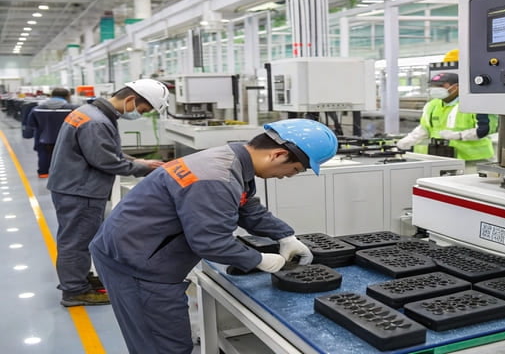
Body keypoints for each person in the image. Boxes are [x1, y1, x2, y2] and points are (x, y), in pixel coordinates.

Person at [89, 118, 338, 354]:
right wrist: (259, 260)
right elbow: (211, 242)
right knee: (163, 346)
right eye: (293, 169)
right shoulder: (215, 177)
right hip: (137, 264)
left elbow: (246, 206)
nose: (287, 176)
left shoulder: (233, 161)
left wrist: (285, 236)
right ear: (277, 154)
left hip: (141, 247)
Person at [47, 79, 170, 307]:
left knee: (78, 238)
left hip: (72, 185)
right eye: (142, 110)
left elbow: (106, 151)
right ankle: (74, 291)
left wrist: (139, 160)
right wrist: (143, 168)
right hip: (80, 190)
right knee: (76, 241)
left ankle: (79, 279)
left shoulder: (88, 112)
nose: (140, 114)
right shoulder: (96, 122)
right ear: (131, 99)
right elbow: (107, 162)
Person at [396, 71, 498, 164]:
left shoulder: (474, 104)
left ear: (456, 87)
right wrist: (407, 141)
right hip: (443, 158)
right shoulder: (432, 105)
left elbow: (486, 129)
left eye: (440, 85)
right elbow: (425, 128)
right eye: (433, 86)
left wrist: (459, 135)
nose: (435, 89)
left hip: (475, 160)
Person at [26, 87, 79, 178]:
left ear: (51, 96)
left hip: (43, 138)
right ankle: (64, 173)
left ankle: (43, 173)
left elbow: (31, 124)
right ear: (68, 96)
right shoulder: (73, 109)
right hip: (66, 139)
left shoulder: (37, 109)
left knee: (43, 154)